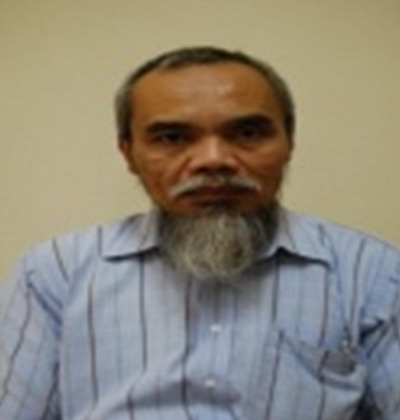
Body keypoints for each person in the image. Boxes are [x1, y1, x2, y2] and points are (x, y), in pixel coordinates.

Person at [0, 46, 399, 420]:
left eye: (247, 133)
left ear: (289, 141)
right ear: (128, 153)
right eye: (172, 138)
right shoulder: (54, 273)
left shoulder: (372, 273)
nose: (214, 160)